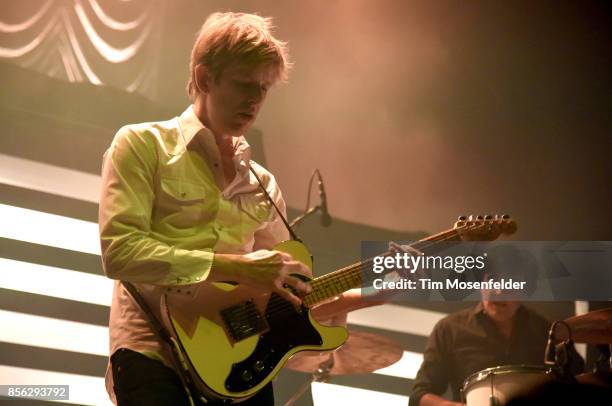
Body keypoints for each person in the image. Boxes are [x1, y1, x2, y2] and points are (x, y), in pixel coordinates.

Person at [98, 12, 386, 405]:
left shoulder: (263, 184)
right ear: (204, 78)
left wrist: (368, 293)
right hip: (153, 353)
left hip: (240, 366)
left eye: (264, 89)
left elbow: (288, 297)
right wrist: (238, 266)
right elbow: (121, 252)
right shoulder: (141, 144)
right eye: (244, 85)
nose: (255, 100)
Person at [409, 245, 583, 406]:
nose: (499, 292)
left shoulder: (547, 330)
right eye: (493, 280)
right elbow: (419, 396)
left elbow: (580, 383)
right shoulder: (449, 329)